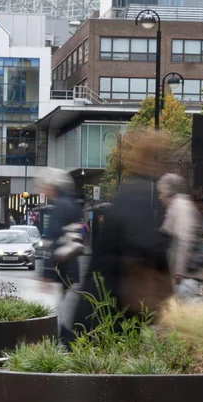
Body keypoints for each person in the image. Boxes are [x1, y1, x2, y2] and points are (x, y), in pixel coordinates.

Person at [69, 129, 170, 341]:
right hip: (109, 307)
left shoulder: (133, 192)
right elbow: (142, 243)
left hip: (105, 304)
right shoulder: (141, 194)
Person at [37, 168, 83, 291]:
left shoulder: (61, 206)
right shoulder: (70, 203)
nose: (42, 191)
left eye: (43, 186)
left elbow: (52, 241)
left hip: (60, 271)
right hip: (68, 268)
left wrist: (47, 274)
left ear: (52, 186)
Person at [157, 173, 199, 288]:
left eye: (161, 192)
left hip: (178, 272)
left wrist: (179, 271)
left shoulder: (181, 207)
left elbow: (184, 238)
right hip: (174, 269)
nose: (159, 197)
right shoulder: (176, 206)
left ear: (168, 192)